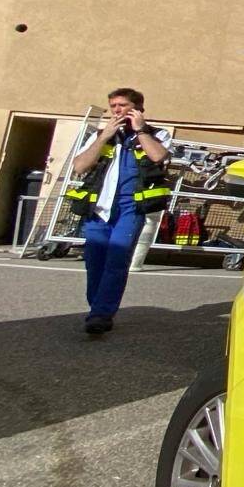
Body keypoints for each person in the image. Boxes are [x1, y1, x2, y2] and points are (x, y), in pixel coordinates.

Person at [68, 88, 171, 335]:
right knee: (94, 261)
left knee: (116, 260)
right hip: (99, 209)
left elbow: (158, 156)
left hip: (130, 208)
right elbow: (80, 166)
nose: (116, 110)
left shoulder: (156, 134)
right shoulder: (100, 135)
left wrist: (141, 131)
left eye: (122, 105)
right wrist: (104, 138)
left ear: (137, 108)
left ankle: (101, 314)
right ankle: (98, 308)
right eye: (113, 106)